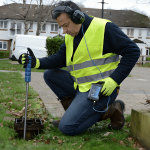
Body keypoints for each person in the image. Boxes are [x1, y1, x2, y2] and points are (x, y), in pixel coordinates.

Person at [22, 1, 140, 136]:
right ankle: (76, 115)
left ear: (78, 17)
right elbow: (60, 58)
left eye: (65, 25)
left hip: (102, 89)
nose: (64, 31)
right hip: (80, 87)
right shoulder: (71, 35)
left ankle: (112, 109)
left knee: (67, 128)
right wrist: (36, 62)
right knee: (50, 75)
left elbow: (133, 50)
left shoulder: (104, 28)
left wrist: (114, 80)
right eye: (61, 27)